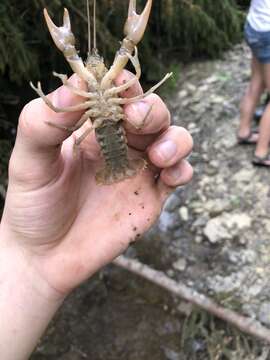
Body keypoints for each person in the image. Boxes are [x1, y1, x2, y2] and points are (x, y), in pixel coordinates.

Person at [0, 71, 193, 359]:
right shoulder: (92, 89)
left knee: (139, 106)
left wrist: (30, 261)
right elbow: (60, 106)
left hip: (112, 142)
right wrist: (30, 261)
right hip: (108, 142)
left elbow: (132, 83)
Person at [238, 0, 270, 166]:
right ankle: (261, 153)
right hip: (268, 33)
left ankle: (244, 132)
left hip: (255, 26)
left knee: (256, 83)